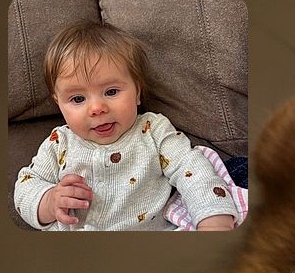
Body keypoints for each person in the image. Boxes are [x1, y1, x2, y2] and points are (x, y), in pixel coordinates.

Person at [13, 21, 238, 231]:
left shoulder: (153, 130)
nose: (96, 108)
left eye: (111, 92)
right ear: (59, 103)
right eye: (78, 99)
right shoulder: (59, 142)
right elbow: (24, 188)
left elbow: (192, 169)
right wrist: (50, 200)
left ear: (137, 93)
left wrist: (212, 217)